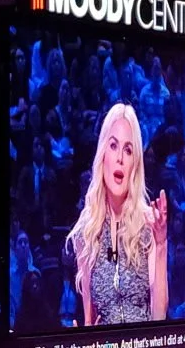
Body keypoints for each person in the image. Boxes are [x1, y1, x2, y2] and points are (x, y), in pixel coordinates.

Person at [68, 103, 168, 326]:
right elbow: (89, 321)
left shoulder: (149, 224)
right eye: (113, 146)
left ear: (135, 165)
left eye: (128, 150)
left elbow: (160, 316)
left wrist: (161, 245)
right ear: (103, 154)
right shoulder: (87, 231)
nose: (120, 158)